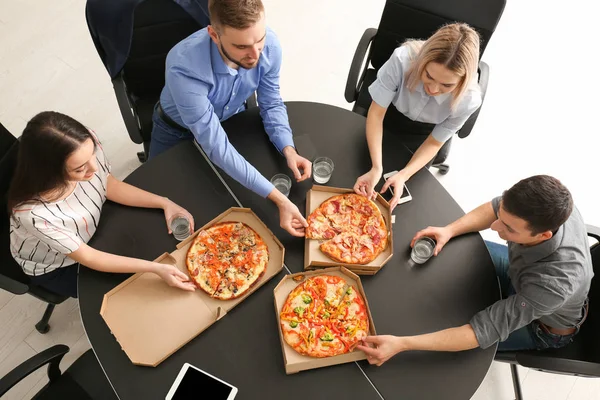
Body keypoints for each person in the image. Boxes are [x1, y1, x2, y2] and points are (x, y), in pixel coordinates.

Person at [357, 175, 593, 365]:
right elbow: (493, 209)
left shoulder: (553, 285)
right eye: (501, 216)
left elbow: (480, 331)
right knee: (451, 251)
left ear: (543, 236)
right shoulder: (550, 205)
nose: (493, 226)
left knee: (449, 346)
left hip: (542, 326)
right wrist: (449, 230)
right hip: (520, 275)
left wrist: (402, 344)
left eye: (508, 228)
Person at [149, 0, 311, 237]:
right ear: (214, 35)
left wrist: (289, 149)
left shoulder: (269, 46)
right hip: (176, 131)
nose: (256, 55)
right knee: (161, 202)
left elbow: (271, 101)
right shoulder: (183, 67)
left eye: (259, 40)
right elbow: (217, 148)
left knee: (227, 200)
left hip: (231, 120)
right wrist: (279, 199)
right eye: (242, 46)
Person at [8, 111, 197, 298]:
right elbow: (89, 257)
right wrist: (155, 268)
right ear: (51, 172)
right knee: (135, 291)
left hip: (91, 228)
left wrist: (164, 202)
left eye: (93, 155)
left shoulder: (84, 145)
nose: (94, 167)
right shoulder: (34, 215)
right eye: (80, 168)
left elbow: (107, 183)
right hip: (61, 265)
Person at [353, 23, 482, 210]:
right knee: (357, 169)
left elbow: (435, 143)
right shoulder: (403, 59)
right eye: (428, 75)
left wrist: (404, 175)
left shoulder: (469, 99)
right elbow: (377, 112)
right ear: (422, 61)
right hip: (388, 116)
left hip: (424, 136)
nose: (433, 89)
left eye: (447, 85)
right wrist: (376, 167)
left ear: (462, 81)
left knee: (405, 203)